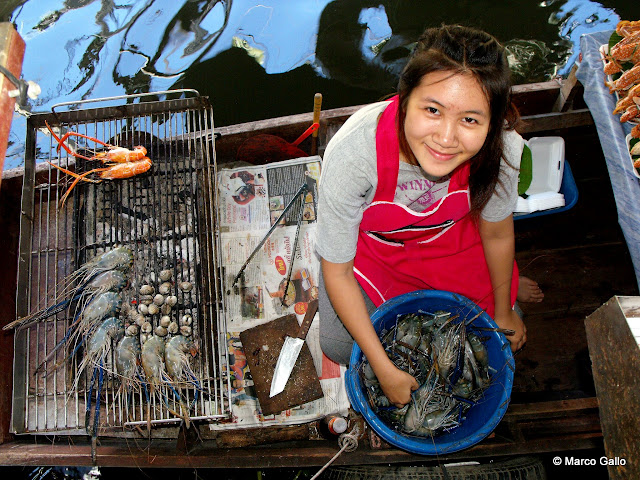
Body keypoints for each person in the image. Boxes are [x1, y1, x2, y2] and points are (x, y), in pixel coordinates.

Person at [315, 24, 527, 408]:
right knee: (338, 344)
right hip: (376, 252)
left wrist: (504, 309)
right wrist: (384, 368)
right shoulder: (354, 155)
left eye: (470, 120)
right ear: (404, 98)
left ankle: (512, 288)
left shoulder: (504, 148)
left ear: (492, 122)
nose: (446, 138)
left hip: (450, 241)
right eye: (432, 110)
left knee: (500, 330)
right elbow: (338, 272)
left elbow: (496, 234)